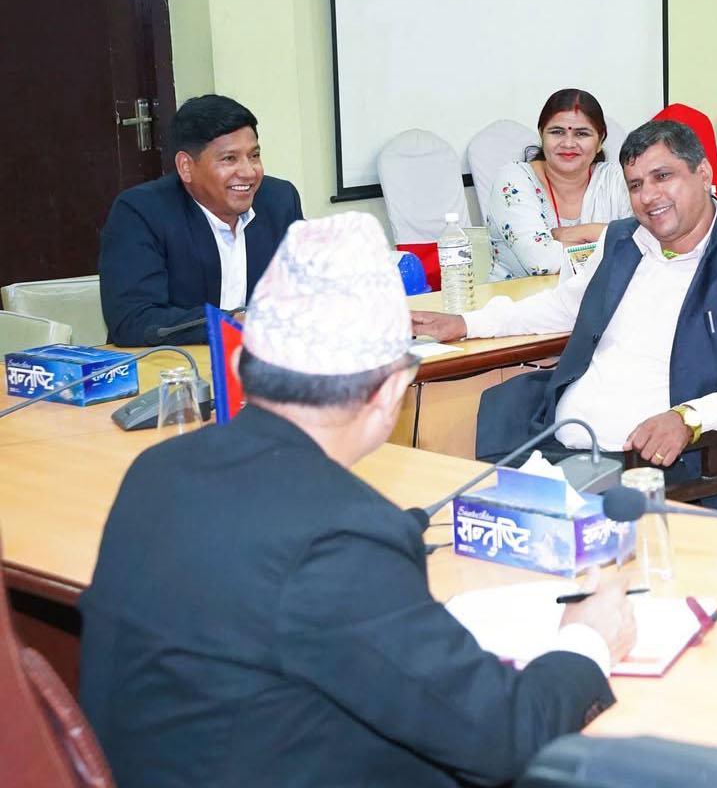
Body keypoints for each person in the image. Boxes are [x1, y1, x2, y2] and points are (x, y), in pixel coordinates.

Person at [80, 213, 633, 788]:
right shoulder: (341, 535)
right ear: (393, 389)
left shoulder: (157, 469)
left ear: (241, 364)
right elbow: (505, 737)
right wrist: (588, 639)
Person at [412, 120, 717, 513]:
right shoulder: (620, 241)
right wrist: (467, 323)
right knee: (463, 506)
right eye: (635, 185)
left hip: (667, 467)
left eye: (662, 177)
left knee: (525, 522)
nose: (648, 196)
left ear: (703, 174)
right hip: (560, 443)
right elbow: (564, 307)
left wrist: (688, 418)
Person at [98, 95, 304, 346]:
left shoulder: (279, 201)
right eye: (229, 159)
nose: (249, 172)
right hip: (175, 363)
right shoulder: (141, 212)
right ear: (186, 166)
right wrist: (231, 324)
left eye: (254, 155)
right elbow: (133, 320)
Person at [485, 88, 632, 278]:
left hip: (602, 297)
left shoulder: (618, 179)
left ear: (600, 140)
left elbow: (649, 243)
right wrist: (614, 244)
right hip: (521, 296)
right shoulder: (514, 180)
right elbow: (542, 261)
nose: (568, 143)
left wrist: (581, 232)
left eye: (582, 134)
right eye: (557, 132)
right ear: (541, 135)